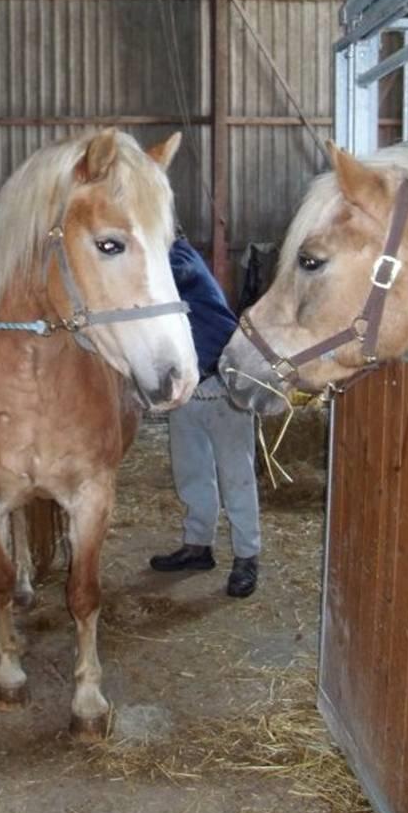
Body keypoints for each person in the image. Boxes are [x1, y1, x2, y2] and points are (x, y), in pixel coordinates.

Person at [150, 233, 261, 598]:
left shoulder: (180, 258)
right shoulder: (164, 258)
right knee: (192, 472)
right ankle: (198, 547)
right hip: (188, 387)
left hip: (222, 385)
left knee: (236, 477)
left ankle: (247, 557)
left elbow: (162, 282)